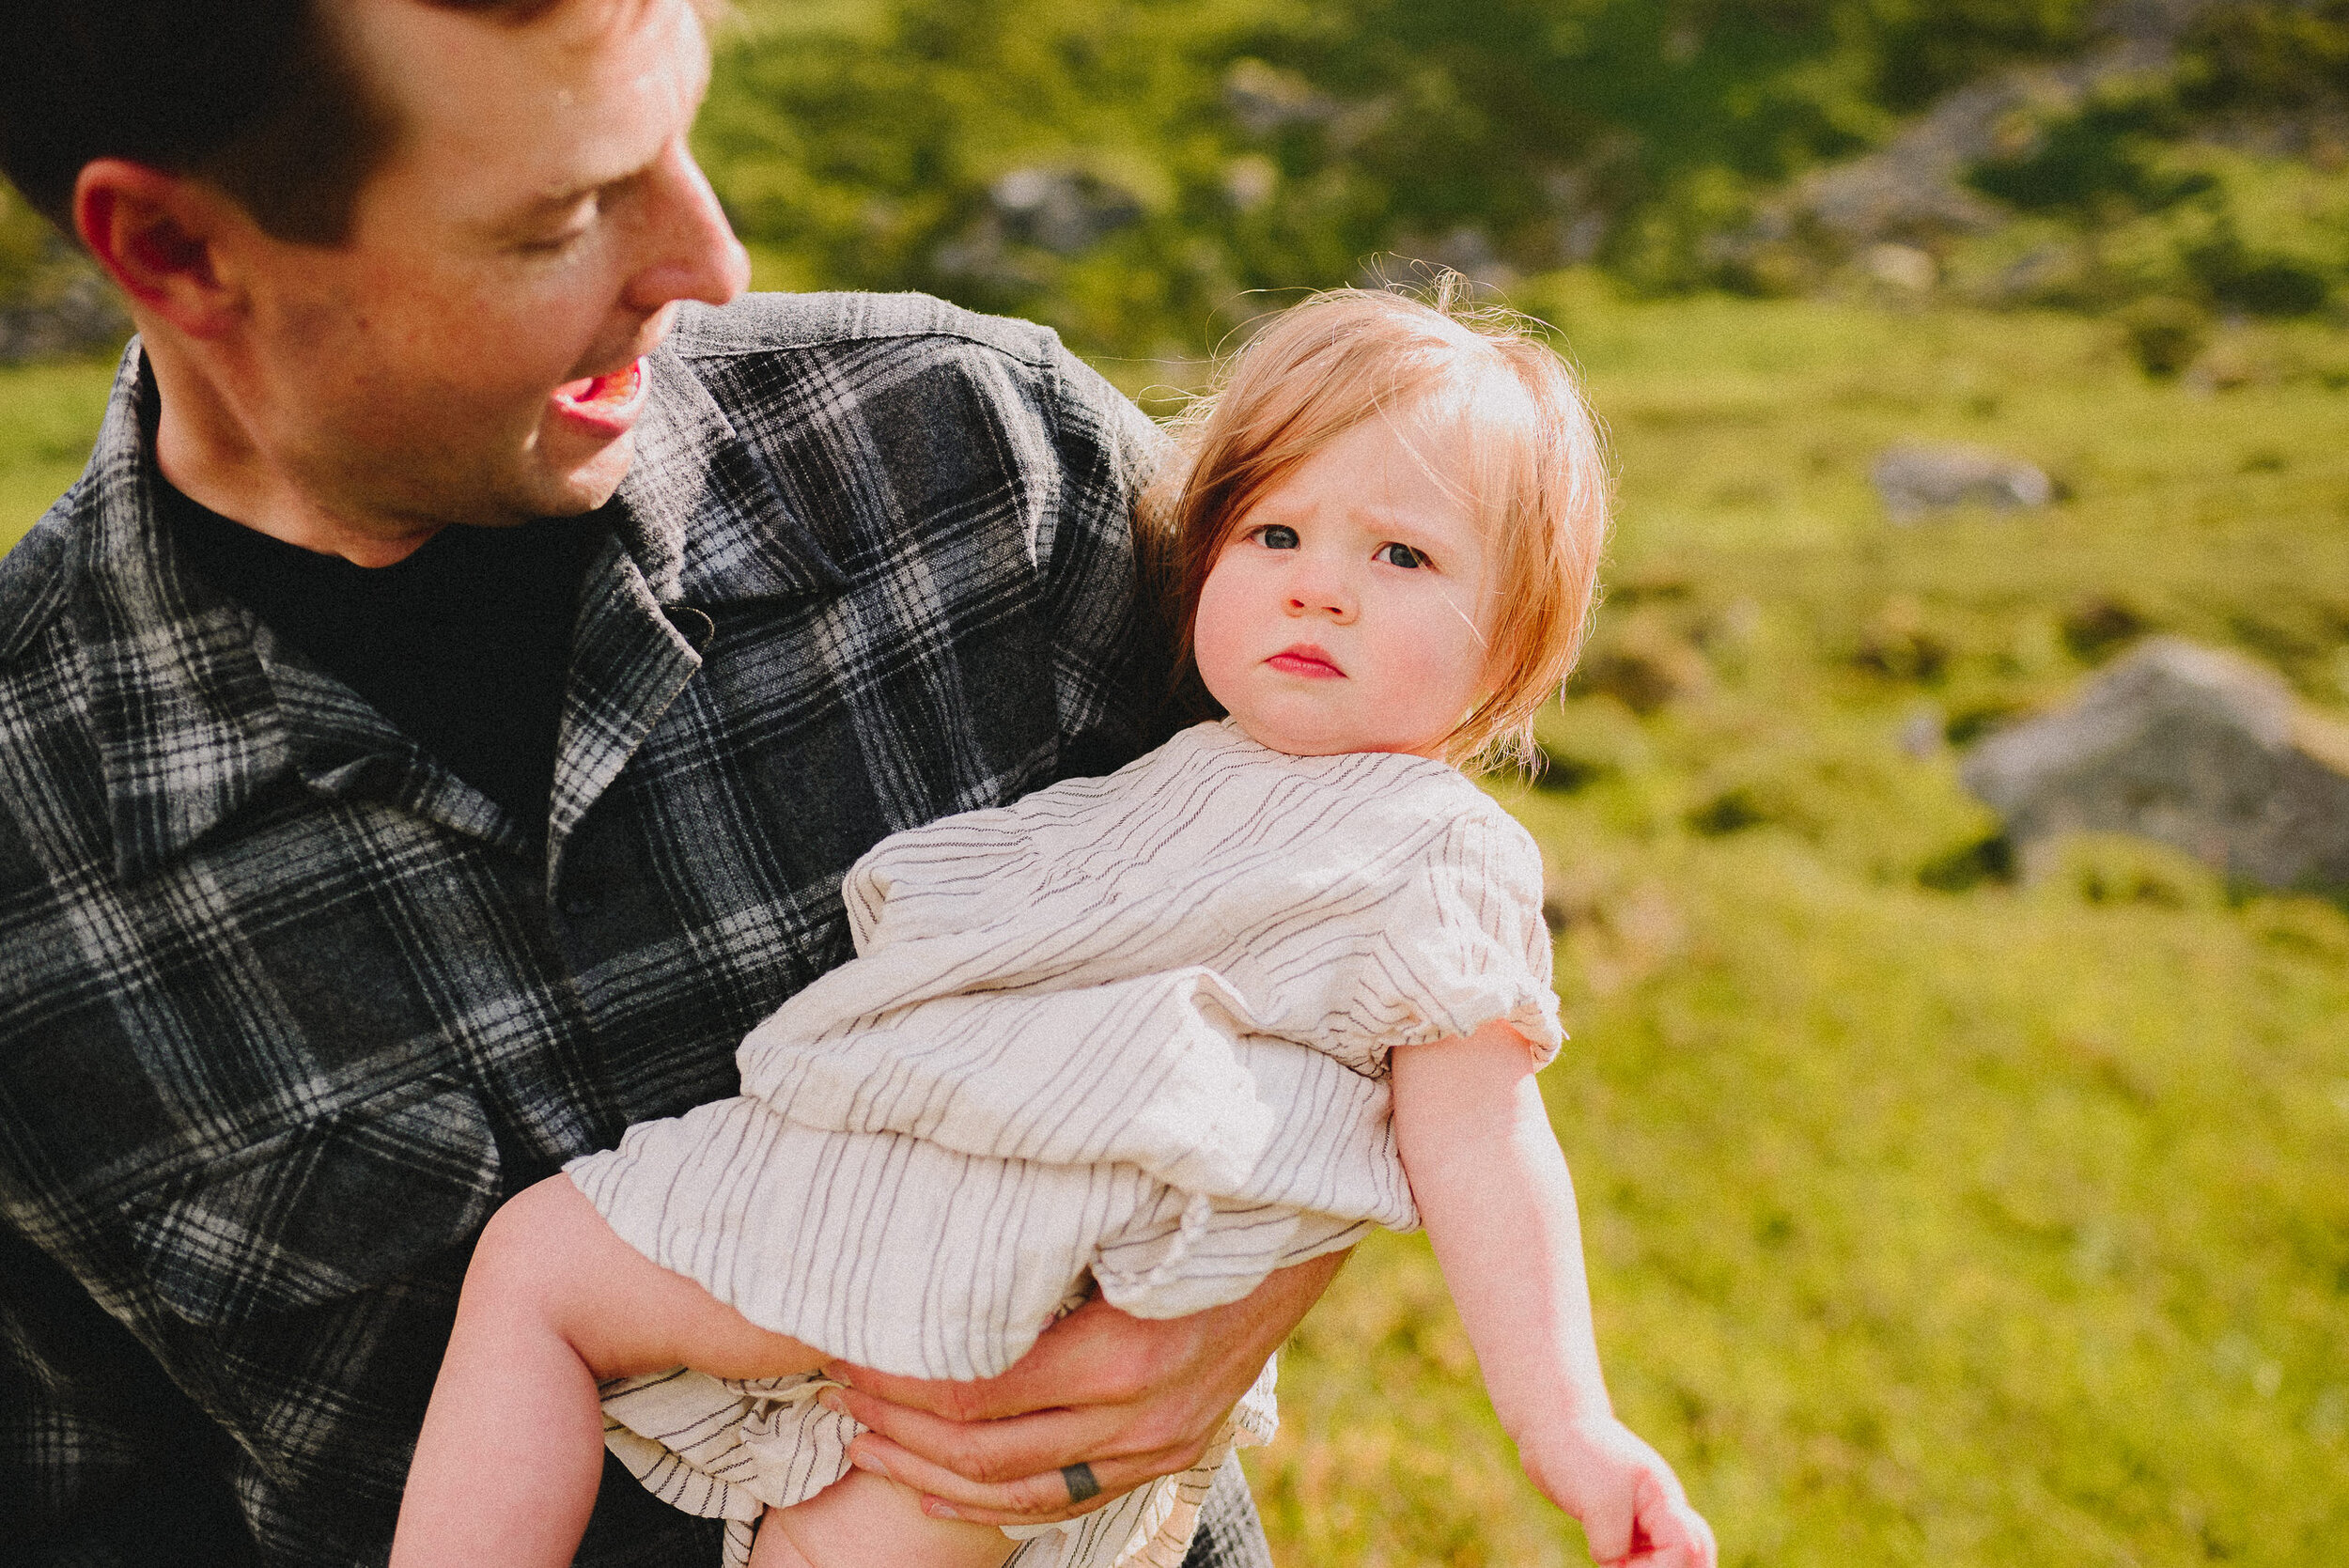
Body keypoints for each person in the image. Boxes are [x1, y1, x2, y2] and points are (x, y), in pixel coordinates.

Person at [0, 2, 1329, 1563]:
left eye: (682, 133)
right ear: (175, 252)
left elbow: (1379, 893)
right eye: (563, 217)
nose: (711, 262)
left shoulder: (982, 463)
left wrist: (1255, 1282)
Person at [389, 287, 1719, 1568]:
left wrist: (1570, 1423)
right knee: (540, 1270)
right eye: (1275, 535)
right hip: (876, 1179)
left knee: (785, 1505)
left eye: (1403, 554)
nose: (1322, 587)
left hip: (1044, 1281)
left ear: (1512, 647)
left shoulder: (1439, 840)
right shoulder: (1175, 760)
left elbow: (1484, 1134)